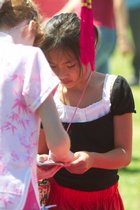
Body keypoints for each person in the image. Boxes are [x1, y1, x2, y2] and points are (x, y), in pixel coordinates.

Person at [38, 13, 136, 210]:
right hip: (59, 201)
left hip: (104, 201)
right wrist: (42, 161)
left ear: (89, 52)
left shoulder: (114, 90)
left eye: (70, 65)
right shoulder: (48, 94)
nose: (61, 74)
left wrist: (93, 159)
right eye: (53, 66)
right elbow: (40, 151)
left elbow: (124, 154)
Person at [0, 1, 74, 210]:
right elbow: (58, 143)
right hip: (14, 189)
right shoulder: (28, 57)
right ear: (32, 27)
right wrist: (64, 157)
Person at [92, 0, 132, 74]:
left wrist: (122, 37)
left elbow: (119, 3)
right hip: (104, 33)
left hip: (98, 33)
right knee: (102, 80)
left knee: (79, 76)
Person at [125, 0, 140, 86]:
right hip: (127, 8)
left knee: (138, 43)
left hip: (137, 7)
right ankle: (136, 74)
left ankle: (136, 75)